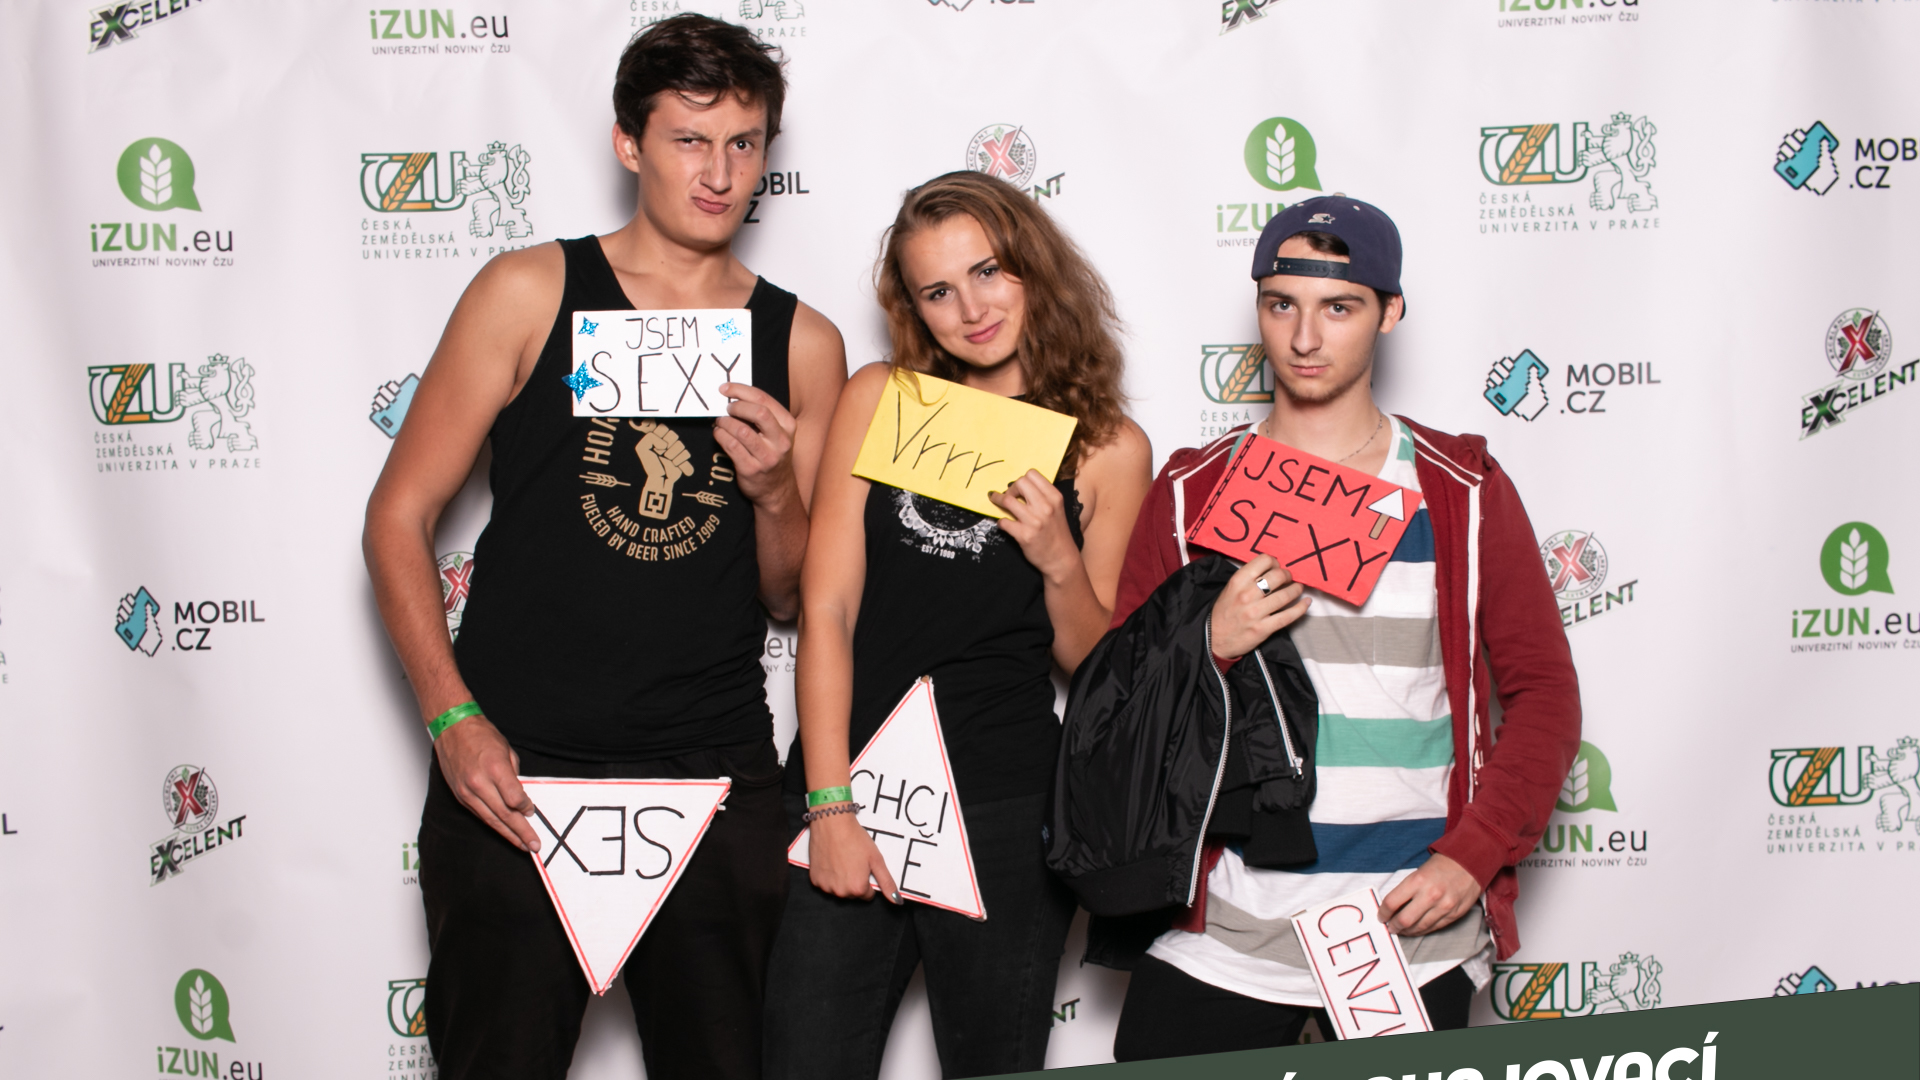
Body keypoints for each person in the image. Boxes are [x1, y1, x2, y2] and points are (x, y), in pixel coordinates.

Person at [361, 15, 846, 1079]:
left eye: (744, 143)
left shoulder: (804, 343)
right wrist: (451, 720)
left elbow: (785, 595)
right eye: (689, 140)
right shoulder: (527, 291)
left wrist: (773, 490)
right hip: (517, 773)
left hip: (711, 776)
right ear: (629, 143)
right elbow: (396, 517)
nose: (719, 173)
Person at [1097, 196, 1581, 1059]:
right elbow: (1119, 704)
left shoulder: (1461, 489)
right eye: (1281, 304)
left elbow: (1544, 694)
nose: (1305, 337)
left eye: (1340, 307)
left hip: (1407, 927)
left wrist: (1473, 855)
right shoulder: (1191, 492)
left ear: (1390, 313)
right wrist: (1204, 644)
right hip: (1223, 928)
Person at [763, 170, 1152, 1080]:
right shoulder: (880, 396)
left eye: (988, 272)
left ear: (1034, 269)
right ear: (912, 307)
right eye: (938, 291)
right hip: (848, 787)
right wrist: (829, 805)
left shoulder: (1107, 448)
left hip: (1004, 808)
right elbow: (827, 607)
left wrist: (1058, 557)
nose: (971, 309)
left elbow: (1092, 662)